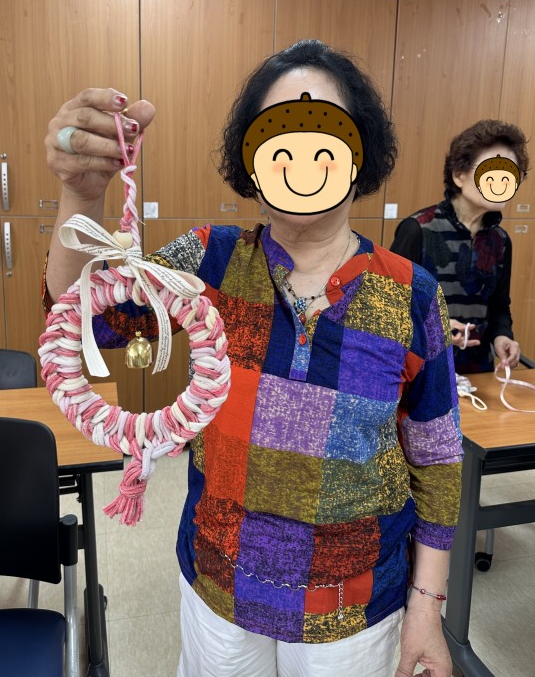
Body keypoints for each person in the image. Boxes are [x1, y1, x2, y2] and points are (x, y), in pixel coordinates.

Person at [43, 39, 463, 677]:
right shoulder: (209, 260)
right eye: (277, 139)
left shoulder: (409, 294)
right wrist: (81, 197)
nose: (300, 161)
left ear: (359, 158)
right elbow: (89, 321)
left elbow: (437, 462)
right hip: (219, 589)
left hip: (351, 610)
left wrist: (427, 609)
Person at [390, 119, 529, 375]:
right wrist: (437, 330)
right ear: (459, 175)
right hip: (421, 374)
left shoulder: (500, 241)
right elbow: (388, 307)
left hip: (478, 375)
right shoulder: (418, 229)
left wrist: (502, 336)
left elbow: (499, 307)